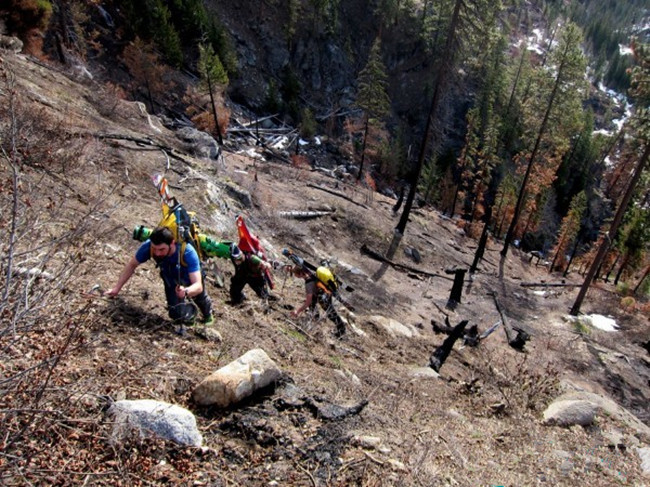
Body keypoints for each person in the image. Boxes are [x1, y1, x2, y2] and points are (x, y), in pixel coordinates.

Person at [106, 226, 213, 326]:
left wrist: (185, 292)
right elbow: (131, 265)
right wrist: (117, 288)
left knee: (200, 298)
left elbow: (198, 286)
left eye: (161, 249)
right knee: (175, 313)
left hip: (190, 277)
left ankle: (208, 316)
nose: (157, 253)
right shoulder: (148, 247)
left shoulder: (187, 252)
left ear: (172, 243)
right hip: (170, 279)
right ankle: (189, 318)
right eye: (154, 248)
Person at [291, 266, 346, 338]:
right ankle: (315, 316)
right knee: (328, 310)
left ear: (300, 274)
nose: (294, 275)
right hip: (325, 293)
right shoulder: (311, 273)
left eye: (295, 274)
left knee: (331, 313)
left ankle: (341, 330)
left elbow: (308, 301)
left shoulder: (308, 284)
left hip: (323, 297)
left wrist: (297, 311)